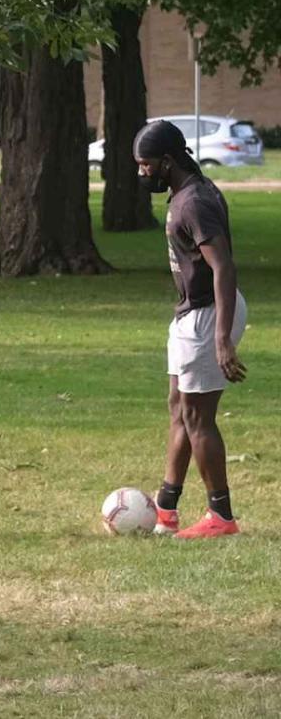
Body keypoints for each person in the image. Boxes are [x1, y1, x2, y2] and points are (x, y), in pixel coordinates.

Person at [136, 119, 249, 539]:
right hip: (191, 314)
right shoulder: (186, 193)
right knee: (178, 407)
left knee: (199, 417)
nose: (142, 172)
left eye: (147, 165)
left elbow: (223, 267)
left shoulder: (194, 202)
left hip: (207, 314)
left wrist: (221, 338)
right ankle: (166, 507)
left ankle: (221, 516)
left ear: (168, 161)